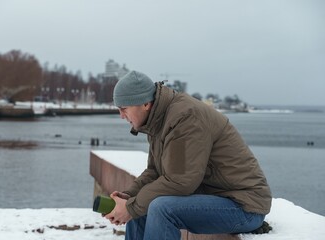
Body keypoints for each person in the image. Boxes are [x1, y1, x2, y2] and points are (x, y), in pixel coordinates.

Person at [105, 70, 272, 240]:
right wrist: (129, 197)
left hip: (244, 206)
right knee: (139, 203)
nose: (121, 116)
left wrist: (131, 207)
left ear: (145, 104)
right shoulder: (158, 121)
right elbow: (155, 172)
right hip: (217, 198)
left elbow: (181, 181)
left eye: (124, 109)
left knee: (160, 208)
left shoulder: (185, 118)